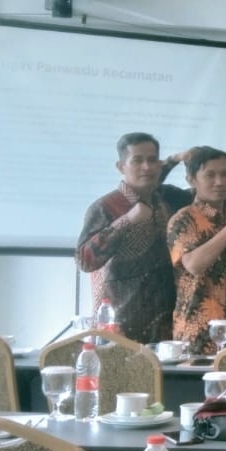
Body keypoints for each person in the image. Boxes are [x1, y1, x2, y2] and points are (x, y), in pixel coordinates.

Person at [75, 133, 192, 343]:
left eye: (152, 160)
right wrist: (127, 220)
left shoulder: (163, 199)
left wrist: (176, 159)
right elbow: (84, 260)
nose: (146, 167)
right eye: (137, 160)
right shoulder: (105, 207)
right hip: (119, 326)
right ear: (121, 167)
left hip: (165, 324)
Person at [166, 147, 226, 352]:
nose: (219, 182)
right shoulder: (184, 218)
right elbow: (194, 264)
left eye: (225, 174)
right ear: (191, 180)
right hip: (197, 329)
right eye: (210, 175)